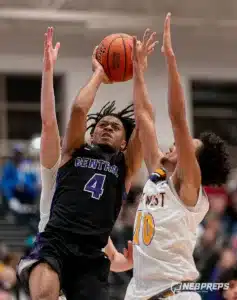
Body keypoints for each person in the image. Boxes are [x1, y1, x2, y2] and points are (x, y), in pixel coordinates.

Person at [17, 27, 157, 300]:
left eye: (114, 127)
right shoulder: (73, 152)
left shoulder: (124, 166)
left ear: (125, 142)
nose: (106, 127)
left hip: (91, 255)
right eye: (101, 124)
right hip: (55, 243)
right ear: (91, 133)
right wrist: (99, 75)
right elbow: (79, 110)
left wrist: (139, 71)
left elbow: (144, 121)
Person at [124, 13, 230, 300]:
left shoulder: (189, 189)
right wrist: (138, 71)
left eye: (186, 147)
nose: (176, 145)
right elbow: (144, 116)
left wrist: (170, 61)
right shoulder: (158, 174)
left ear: (193, 162)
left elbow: (178, 119)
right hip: (140, 292)